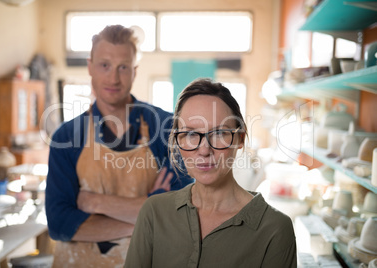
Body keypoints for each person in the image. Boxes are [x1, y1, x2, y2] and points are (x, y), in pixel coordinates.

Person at [45, 25, 193, 267]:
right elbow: (60, 224)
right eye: (104, 65)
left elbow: (183, 212)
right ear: (90, 67)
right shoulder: (67, 136)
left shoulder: (165, 127)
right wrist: (145, 219)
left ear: (135, 72)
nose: (113, 78)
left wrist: (95, 203)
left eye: (123, 67)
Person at [125, 78, 297, 268]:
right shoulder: (155, 213)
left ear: (239, 138)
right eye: (191, 134)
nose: (204, 150)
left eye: (219, 133)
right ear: (177, 141)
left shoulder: (274, 229)